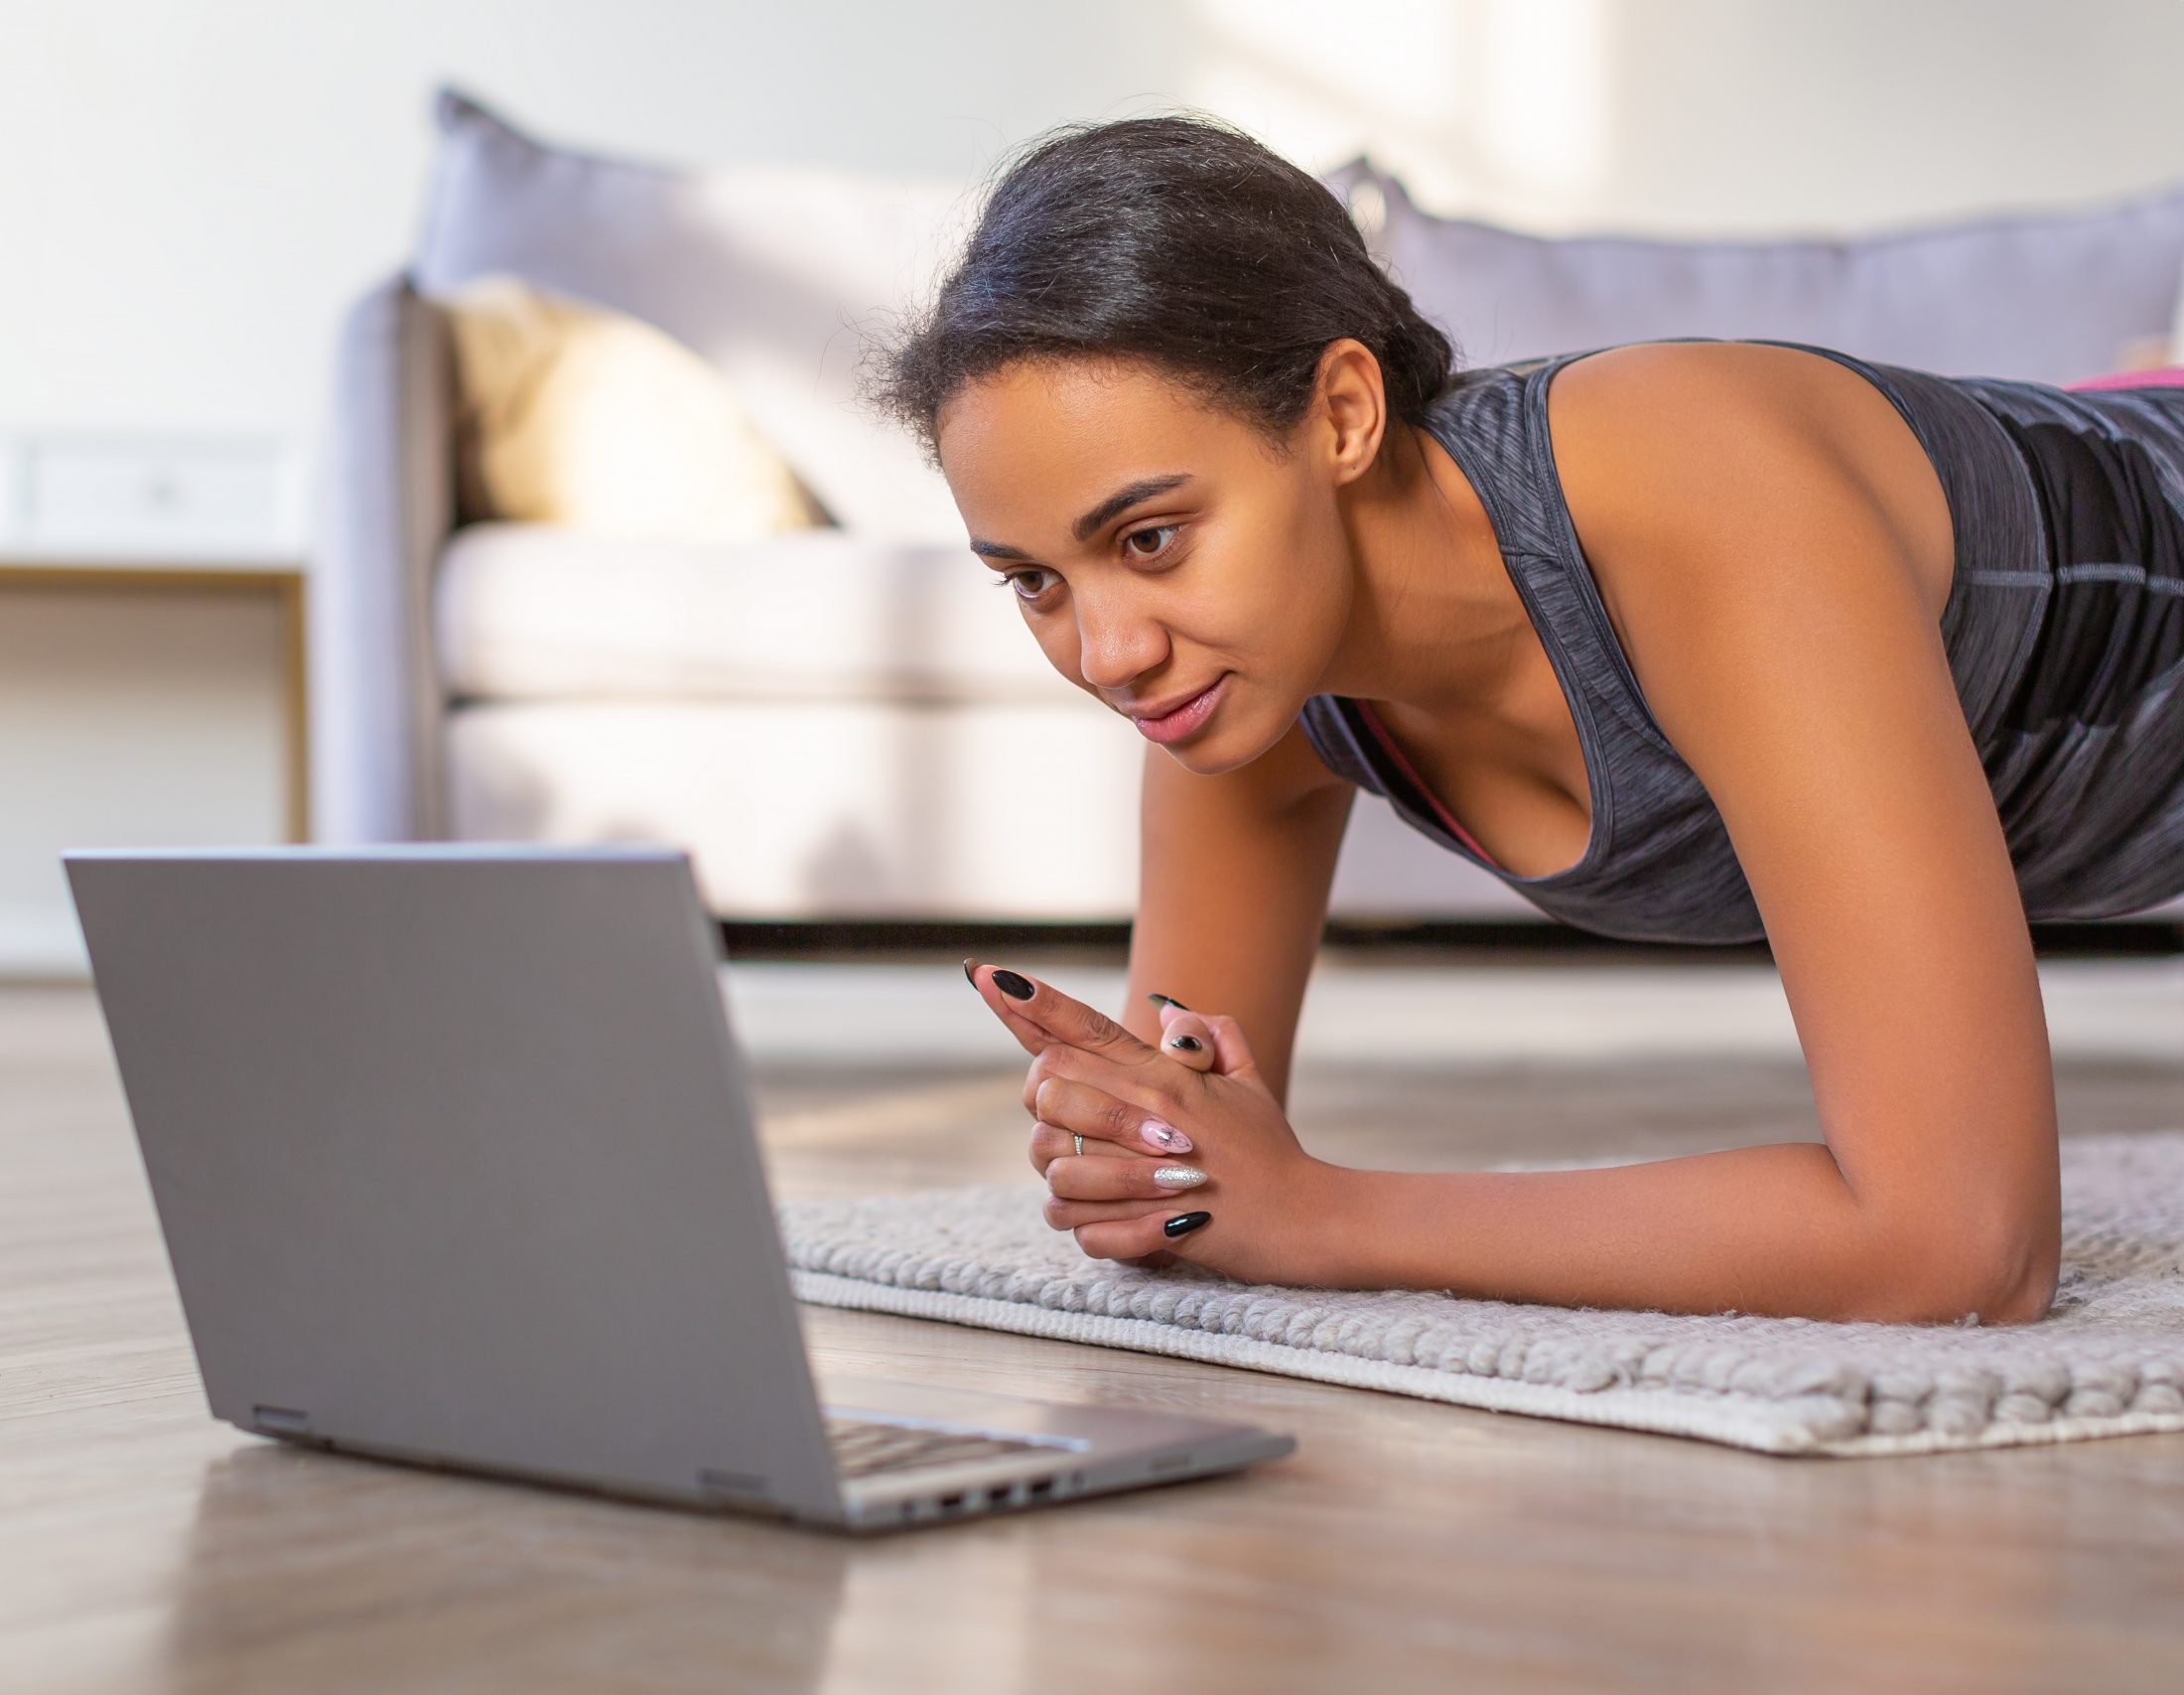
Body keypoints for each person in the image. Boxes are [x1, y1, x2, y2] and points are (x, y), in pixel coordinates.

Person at [865, 113, 2184, 1326]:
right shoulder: (1233, 681)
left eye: (1149, 537)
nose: (1109, 653)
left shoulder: (1704, 502)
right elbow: (1191, 1168)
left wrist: (1327, 1214)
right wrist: (1141, 1149)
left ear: (1342, 414)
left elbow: (1963, 1247)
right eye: (1035, 581)